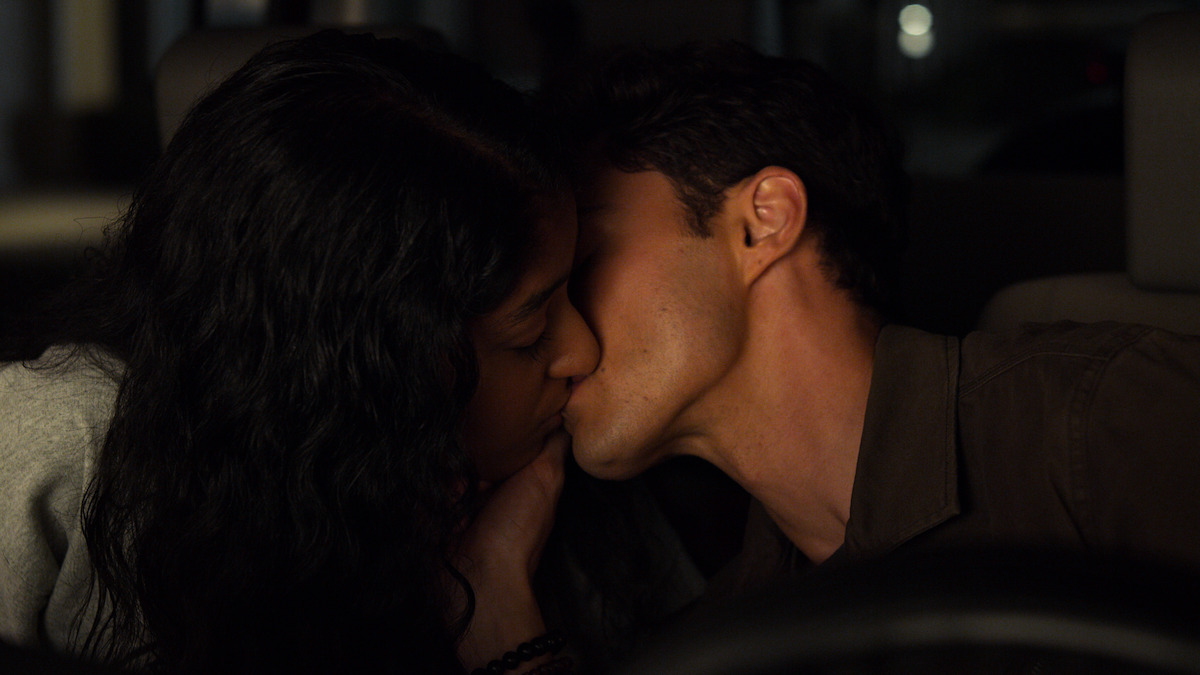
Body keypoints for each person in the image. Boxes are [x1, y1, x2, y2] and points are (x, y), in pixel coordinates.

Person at [0, 30, 613, 674]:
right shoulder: (65, 440)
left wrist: (495, 596)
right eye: (531, 331)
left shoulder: (537, 505)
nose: (585, 350)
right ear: (374, 361)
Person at [543, 41, 1200, 603]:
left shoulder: (1096, 422)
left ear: (761, 220)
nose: (558, 334)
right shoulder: (730, 631)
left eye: (585, 260)